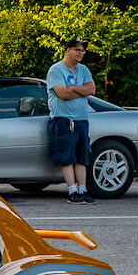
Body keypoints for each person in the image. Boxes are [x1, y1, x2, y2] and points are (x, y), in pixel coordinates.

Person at [47, 38, 97, 204]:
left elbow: (91, 89)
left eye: (82, 50)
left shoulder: (83, 70)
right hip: (63, 119)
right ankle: (72, 191)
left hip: (82, 119)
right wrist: (81, 91)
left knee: (81, 156)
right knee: (67, 156)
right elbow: (62, 94)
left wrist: (73, 89)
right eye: (77, 50)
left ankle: (83, 190)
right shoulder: (56, 70)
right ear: (67, 50)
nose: (81, 53)